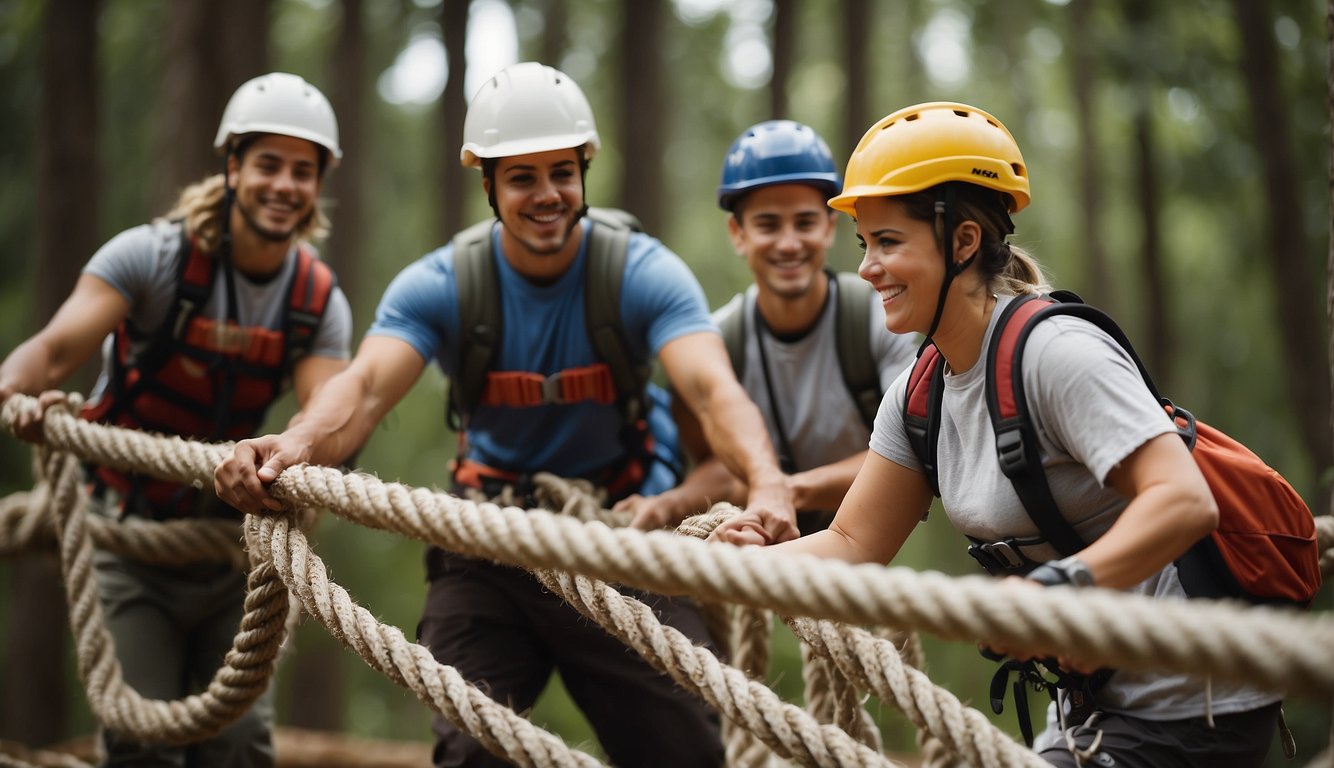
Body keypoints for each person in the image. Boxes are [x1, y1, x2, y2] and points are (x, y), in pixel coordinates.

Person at [213, 61, 797, 767]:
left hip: (625, 537)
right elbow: (364, 388)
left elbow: (712, 391)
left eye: (562, 172)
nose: (547, 194)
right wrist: (294, 443)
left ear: (584, 172)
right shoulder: (444, 284)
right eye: (522, 178)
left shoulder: (641, 272)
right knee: (473, 754)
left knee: (686, 754)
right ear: (487, 185)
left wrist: (767, 484)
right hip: (485, 549)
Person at [712, 101, 1280, 766]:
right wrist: (722, 568)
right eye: (865, 245)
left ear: (963, 241)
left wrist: (1054, 592)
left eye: (889, 242)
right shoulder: (920, 393)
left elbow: (1185, 501)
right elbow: (851, 541)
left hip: (1192, 702)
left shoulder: (1058, 355)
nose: (866, 268)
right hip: (1090, 707)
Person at [0, 72, 353, 767]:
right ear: (232, 167)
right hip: (129, 541)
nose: (284, 185)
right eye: (268, 165)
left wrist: (287, 455)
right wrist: (14, 392)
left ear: (318, 186)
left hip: (231, 547)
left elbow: (328, 416)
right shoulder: (151, 258)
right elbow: (53, 350)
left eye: (302, 171)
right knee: (142, 741)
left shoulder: (316, 299)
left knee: (243, 746)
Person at [615, 119, 917, 536]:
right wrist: (671, 503)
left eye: (806, 222)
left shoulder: (881, 322)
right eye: (768, 225)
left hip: (862, 549)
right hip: (758, 550)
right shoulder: (715, 341)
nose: (789, 243)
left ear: (830, 227)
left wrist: (783, 490)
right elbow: (720, 466)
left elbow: (910, 454)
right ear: (738, 234)